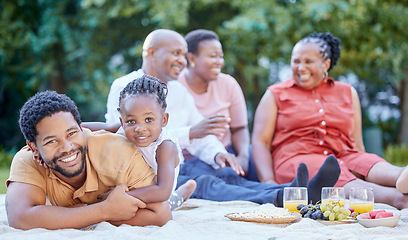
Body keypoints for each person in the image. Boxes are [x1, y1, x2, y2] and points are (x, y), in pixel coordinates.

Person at [104, 29, 341, 205]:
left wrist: (218, 153)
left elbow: (201, 132)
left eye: (184, 55)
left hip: (180, 162)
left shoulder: (177, 89)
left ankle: (296, 191)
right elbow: (126, 136)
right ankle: (284, 196)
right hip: (149, 172)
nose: (182, 61)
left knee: (224, 173)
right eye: (176, 53)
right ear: (151, 52)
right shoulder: (125, 87)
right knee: (207, 183)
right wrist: (190, 133)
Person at [251, 32, 408, 209]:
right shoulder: (275, 94)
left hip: (344, 153)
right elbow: (260, 141)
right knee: (331, 173)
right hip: (297, 159)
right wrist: (269, 181)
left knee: (367, 162)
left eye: (308, 62)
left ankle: (402, 174)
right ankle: (398, 199)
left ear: (326, 64)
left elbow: (356, 144)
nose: (301, 67)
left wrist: (364, 162)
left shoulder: (348, 92)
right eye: (296, 61)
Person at [6, 91, 172, 230]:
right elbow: (20, 218)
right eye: (51, 141)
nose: (67, 147)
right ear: (34, 147)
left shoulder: (117, 152)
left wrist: (68, 215)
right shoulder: (28, 160)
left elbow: (161, 213)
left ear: (81, 128)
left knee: (174, 198)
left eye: (71, 133)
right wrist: (104, 210)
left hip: (165, 176)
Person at [178, 29, 257, 181]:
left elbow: (239, 128)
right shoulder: (176, 87)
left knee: (256, 158)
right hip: (192, 159)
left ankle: (286, 188)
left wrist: (243, 157)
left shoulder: (228, 84)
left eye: (221, 56)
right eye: (213, 56)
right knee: (222, 177)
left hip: (227, 152)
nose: (219, 61)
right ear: (192, 58)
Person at [116, 74, 195, 210]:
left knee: (161, 207)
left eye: (148, 120)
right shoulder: (125, 129)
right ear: (122, 122)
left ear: (163, 120)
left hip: (157, 193)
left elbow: (162, 191)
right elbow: (93, 128)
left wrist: (120, 196)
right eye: (131, 121)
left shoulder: (164, 146)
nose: (140, 128)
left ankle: (181, 194)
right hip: (133, 185)